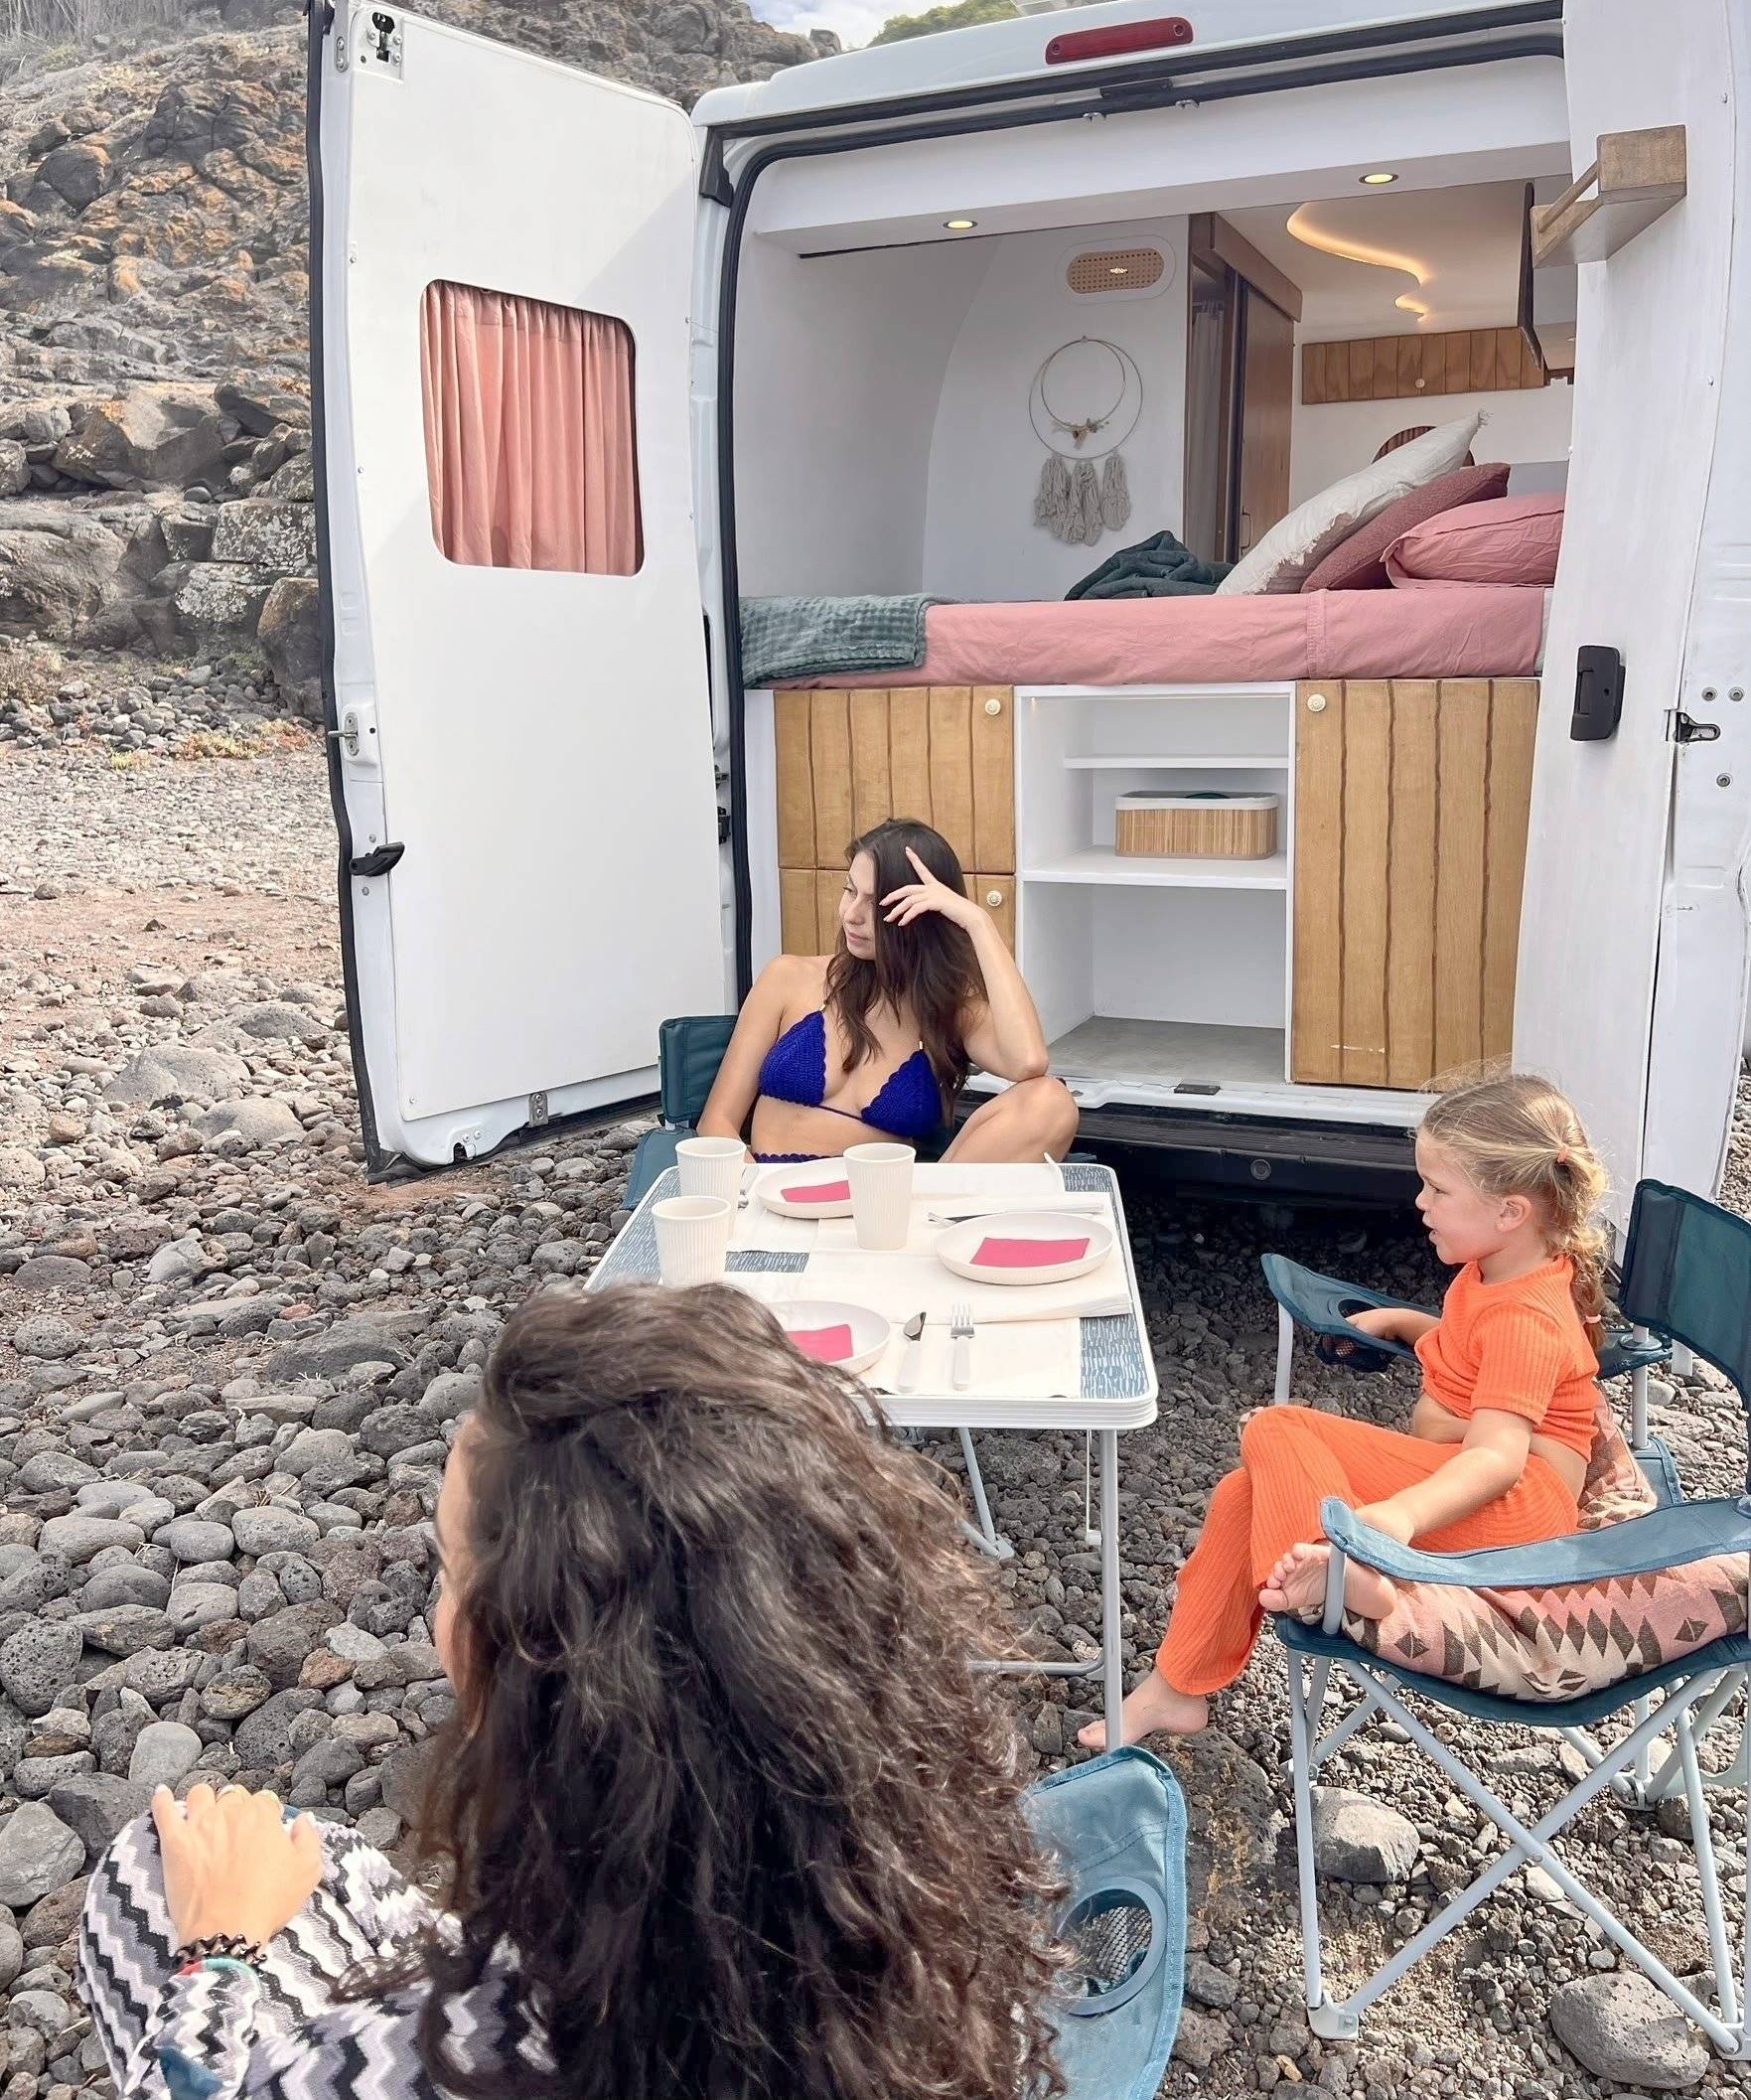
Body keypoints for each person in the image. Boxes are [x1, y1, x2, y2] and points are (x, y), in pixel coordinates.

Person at [78, 1285, 1067, 2100]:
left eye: (451, 1573)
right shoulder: (944, 1907)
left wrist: (217, 1953)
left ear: (528, 1664)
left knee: (147, 1873)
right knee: (309, 1858)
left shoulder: (421, 2063)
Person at [1081, 1072, 1609, 1749]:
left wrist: (1398, 1518)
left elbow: (1497, 1459)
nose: (1419, 1202)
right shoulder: (1499, 1270)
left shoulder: (1524, 1316)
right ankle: (1176, 1689)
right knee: (1241, 1491)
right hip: (1468, 1480)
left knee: (1277, 1427)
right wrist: (1409, 1324)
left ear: (1510, 1212)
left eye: (1438, 1190)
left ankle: (1345, 1569)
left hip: (1515, 1513)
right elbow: (1473, 1354)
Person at [700, 816, 1078, 1165]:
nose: (851, 915)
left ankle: (935, 1211)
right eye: (850, 891)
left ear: (924, 914)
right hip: (776, 1191)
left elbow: (1028, 1062)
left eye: (875, 903)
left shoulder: (948, 1008)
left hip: (889, 1202)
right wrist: (755, 1194)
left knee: (1050, 1102)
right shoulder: (789, 977)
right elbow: (716, 1121)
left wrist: (978, 923)